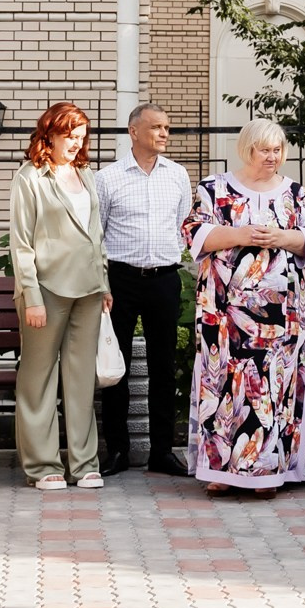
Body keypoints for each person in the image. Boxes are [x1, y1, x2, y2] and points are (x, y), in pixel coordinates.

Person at [184, 119, 305, 495]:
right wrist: (240, 234)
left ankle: (268, 472)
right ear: (248, 149)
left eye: (277, 150)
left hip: (282, 314)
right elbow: (194, 232)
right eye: (265, 149)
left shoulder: (296, 193)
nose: (272, 157)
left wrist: (282, 237)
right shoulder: (214, 188)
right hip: (224, 311)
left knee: (273, 385)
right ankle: (221, 471)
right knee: (222, 383)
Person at [9, 102, 112, 490]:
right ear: (49, 135)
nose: (76, 144)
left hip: (89, 289)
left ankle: (84, 464)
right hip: (46, 289)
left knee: (82, 378)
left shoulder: (86, 174)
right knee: (38, 379)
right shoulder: (30, 177)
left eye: (81, 137)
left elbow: (96, 233)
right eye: (69, 136)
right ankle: (42, 466)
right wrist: (31, 295)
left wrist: (104, 282)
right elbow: (21, 244)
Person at [94, 103, 196, 476]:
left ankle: (162, 453)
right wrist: (103, 282)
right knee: (116, 367)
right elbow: (96, 233)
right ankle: (118, 451)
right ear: (133, 131)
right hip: (121, 280)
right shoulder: (108, 178)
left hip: (164, 279)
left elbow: (183, 223)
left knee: (163, 367)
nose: (164, 133)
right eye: (156, 127)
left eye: (167, 127)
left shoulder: (178, 175)